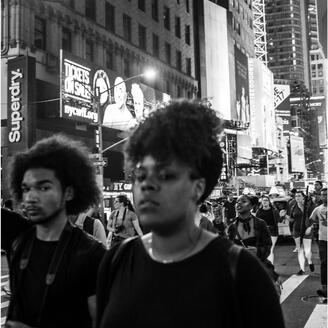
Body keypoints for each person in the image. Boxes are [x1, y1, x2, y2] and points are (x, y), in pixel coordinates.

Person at [96, 100, 285, 328]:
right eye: (140, 175)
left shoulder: (242, 271)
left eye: (165, 175)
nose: (146, 185)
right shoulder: (118, 260)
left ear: (197, 187)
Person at [6, 135, 106, 328]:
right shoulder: (20, 243)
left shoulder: (92, 254)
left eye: (44, 187)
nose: (31, 197)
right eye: (26, 189)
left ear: (69, 192)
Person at [228, 194, 272, 263]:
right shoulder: (232, 227)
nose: (239, 203)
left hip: (256, 267)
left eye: (243, 201)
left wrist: (257, 251)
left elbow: (268, 246)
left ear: (252, 206)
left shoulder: (260, 224)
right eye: (237, 202)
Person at [285, 191, 315, 275]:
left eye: (299, 196)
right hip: (297, 230)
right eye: (296, 196)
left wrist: (310, 227)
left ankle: (309, 261)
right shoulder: (293, 207)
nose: (297, 197)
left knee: (307, 250)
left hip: (306, 230)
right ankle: (302, 269)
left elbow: (313, 219)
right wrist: (285, 216)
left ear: (303, 197)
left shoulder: (309, 206)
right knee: (300, 250)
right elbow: (292, 220)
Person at [310, 188, 327, 299]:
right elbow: (311, 219)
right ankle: (325, 289)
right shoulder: (318, 209)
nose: (324, 197)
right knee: (324, 264)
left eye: (326, 195)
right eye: (323, 195)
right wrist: (316, 225)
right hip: (323, 240)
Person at [256, 195, 280, 264]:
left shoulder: (274, 211)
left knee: (270, 249)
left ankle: (271, 267)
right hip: (262, 232)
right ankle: (266, 266)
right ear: (261, 202)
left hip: (272, 231)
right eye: (263, 200)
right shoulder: (259, 211)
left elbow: (278, 220)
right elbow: (256, 222)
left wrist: (281, 216)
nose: (265, 202)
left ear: (269, 202)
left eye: (266, 200)